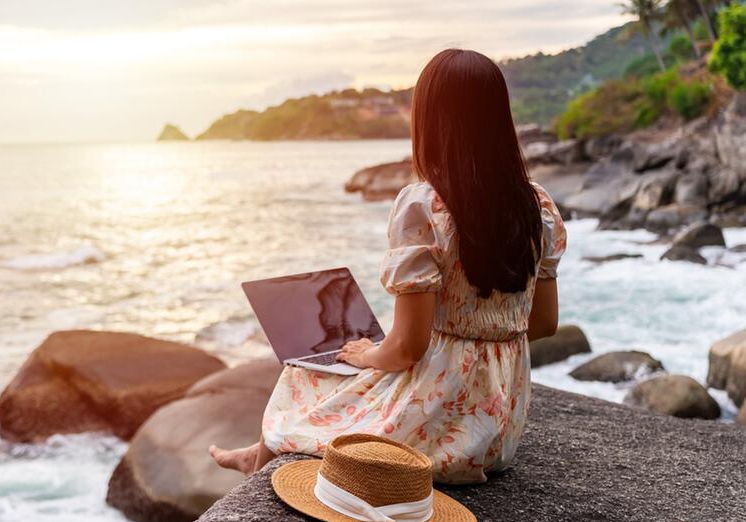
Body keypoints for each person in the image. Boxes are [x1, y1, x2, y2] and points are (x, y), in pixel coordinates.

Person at [210, 48, 567, 484]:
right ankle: (257, 454)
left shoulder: (425, 205)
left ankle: (262, 457)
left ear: (429, 121)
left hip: (436, 433)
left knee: (303, 371)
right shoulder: (539, 206)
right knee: (351, 373)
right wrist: (480, 334)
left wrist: (368, 353)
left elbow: (407, 349)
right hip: (497, 431)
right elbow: (544, 323)